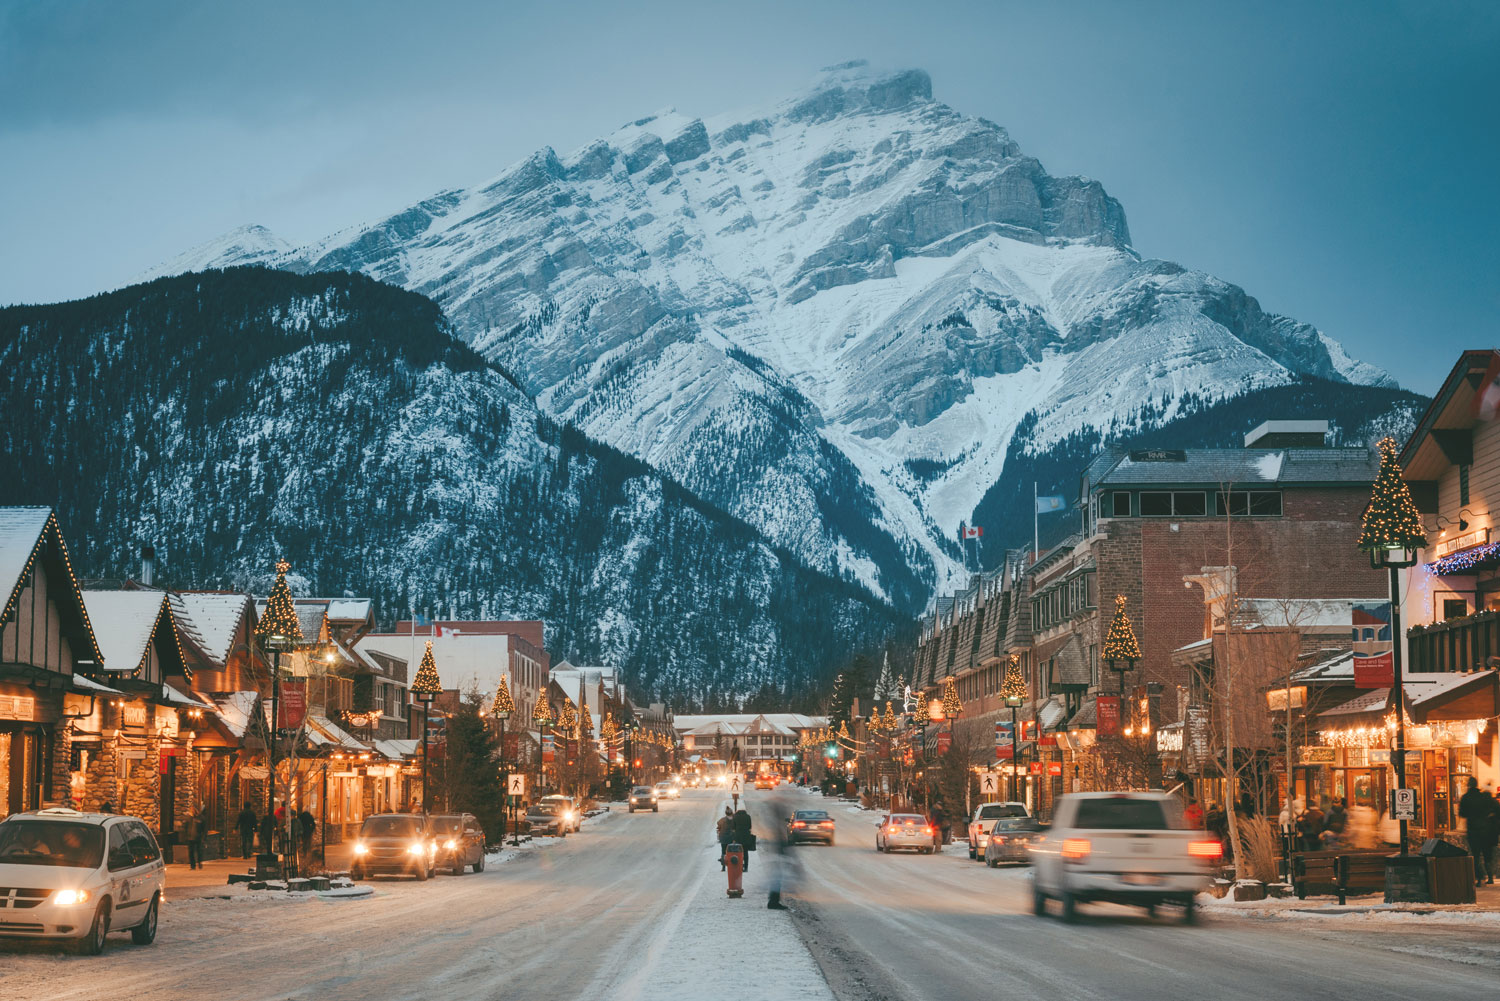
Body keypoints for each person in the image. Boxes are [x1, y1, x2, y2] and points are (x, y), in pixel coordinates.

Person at [1458, 776, 1498, 886]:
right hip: (1486, 830)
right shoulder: (1483, 797)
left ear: (1468, 785)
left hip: (1473, 830)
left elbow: (1462, 813)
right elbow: (1494, 806)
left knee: (1475, 855)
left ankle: (1480, 879)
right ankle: (1490, 877)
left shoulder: (1466, 798)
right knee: (1487, 854)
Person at [732, 807, 754, 871]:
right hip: (746, 836)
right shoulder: (748, 816)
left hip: (738, 836)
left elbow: (733, 827)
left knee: (739, 852)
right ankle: (746, 867)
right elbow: (750, 826)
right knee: (745, 852)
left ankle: (740, 866)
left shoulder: (735, 816)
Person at [716, 807, 734, 871]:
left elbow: (718, 823)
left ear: (726, 813)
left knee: (723, 852)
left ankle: (723, 867)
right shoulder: (734, 820)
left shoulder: (723, 819)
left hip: (723, 838)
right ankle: (731, 865)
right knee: (731, 852)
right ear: (732, 813)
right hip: (731, 838)